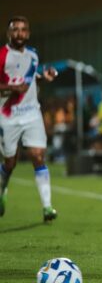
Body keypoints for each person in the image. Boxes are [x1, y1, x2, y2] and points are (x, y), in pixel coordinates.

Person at [0, 16, 58, 222]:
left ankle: (47, 207)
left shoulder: (33, 55)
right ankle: (2, 188)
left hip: (32, 112)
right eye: (15, 29)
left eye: (23, 30)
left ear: (28, 33)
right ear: (8, 33)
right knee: (10, 162)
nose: (19, 33)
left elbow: (30, 78)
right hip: (8, 116)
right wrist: (12, 88)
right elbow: (13, 84)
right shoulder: (2, 56)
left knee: (38, 155)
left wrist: (44, 77)